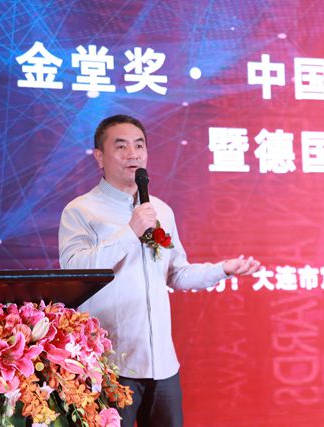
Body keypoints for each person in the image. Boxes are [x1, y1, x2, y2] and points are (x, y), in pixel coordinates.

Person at [58, 114, 260, 427]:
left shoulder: (160, 210)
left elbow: (176, 274)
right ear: (99, 156)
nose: (133, 153)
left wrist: (223, 270)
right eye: (121, 146)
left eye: (139, 145)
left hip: (162, 364)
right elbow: (74, 271)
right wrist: (130, 231)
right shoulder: (81, 210)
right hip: (109, 365)